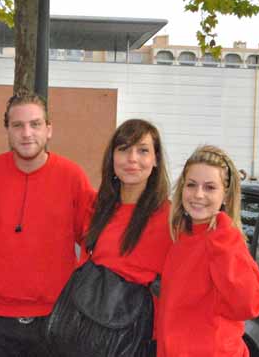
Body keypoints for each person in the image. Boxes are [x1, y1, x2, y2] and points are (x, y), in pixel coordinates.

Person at [0, 93, 95, 357]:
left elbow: (94, 238)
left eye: (35, 124)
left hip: (54, 318)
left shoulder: (72, 176)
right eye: (17, 125)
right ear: (7, 131)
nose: (26, 133)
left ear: (49, 129)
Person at [157, 145, 259, 357]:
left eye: (210, 187)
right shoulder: (178, 236)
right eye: (191, 185)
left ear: (225, 196)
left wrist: (224, 235)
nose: (198, 194)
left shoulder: (226, 240)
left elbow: (248, 305)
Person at [79, 118, 172, 353]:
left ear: (156, 159)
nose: (132, 159)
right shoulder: (97, 208)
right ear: (112, 158)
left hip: (144, 341)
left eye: (143, 150)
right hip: (93, 337)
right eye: (123, 149)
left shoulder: (172, 219)